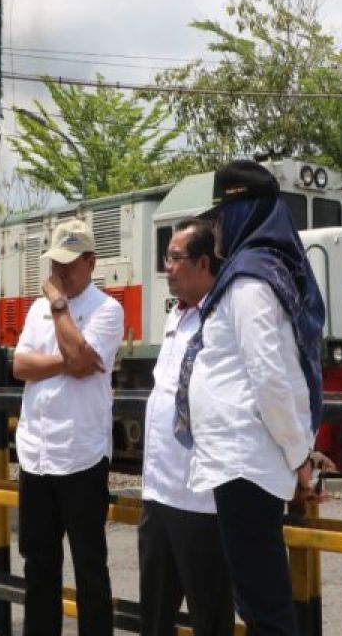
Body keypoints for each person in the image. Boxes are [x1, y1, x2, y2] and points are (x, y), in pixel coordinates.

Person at [176, 159, 333, 636]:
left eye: (221, 217)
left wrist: (298, 455)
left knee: (264, 608)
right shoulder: (259, 272)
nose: (216, 228)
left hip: (246, 462)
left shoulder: (247, 280)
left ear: (243, 215)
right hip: (247, 460)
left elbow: (268, 376)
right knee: (262, 599)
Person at [13, 219, 124, 635]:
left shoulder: (107, 310)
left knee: (89, 567)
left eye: (68, 264)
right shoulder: (35, 309)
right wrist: (71, 363)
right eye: (55, 263)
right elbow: (20, 366)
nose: (58, 273)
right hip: (36, 454)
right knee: (39, 565)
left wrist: (60, 308)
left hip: (81, 454)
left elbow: (82, 360)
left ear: (91, 262)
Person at [138, 218, 233, 636]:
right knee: (155, 616)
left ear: (202, 263)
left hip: (201, 499)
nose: (166, 267)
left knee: (209, 615)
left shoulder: (224, 316)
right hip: (159, 493)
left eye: (174, 258)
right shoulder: (175, 316)